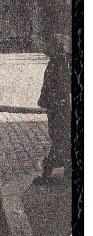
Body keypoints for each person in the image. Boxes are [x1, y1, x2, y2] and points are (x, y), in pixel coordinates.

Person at [35, 31, 71, 185]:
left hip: (58, 108)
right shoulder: (59, 62)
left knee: (59, 139)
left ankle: (47, 173)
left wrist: (50, 102)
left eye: (49, 46)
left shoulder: (59, 63)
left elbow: (61, 87)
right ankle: (67, 172)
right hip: (58, 106)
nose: (46, 49)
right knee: (61, 138)